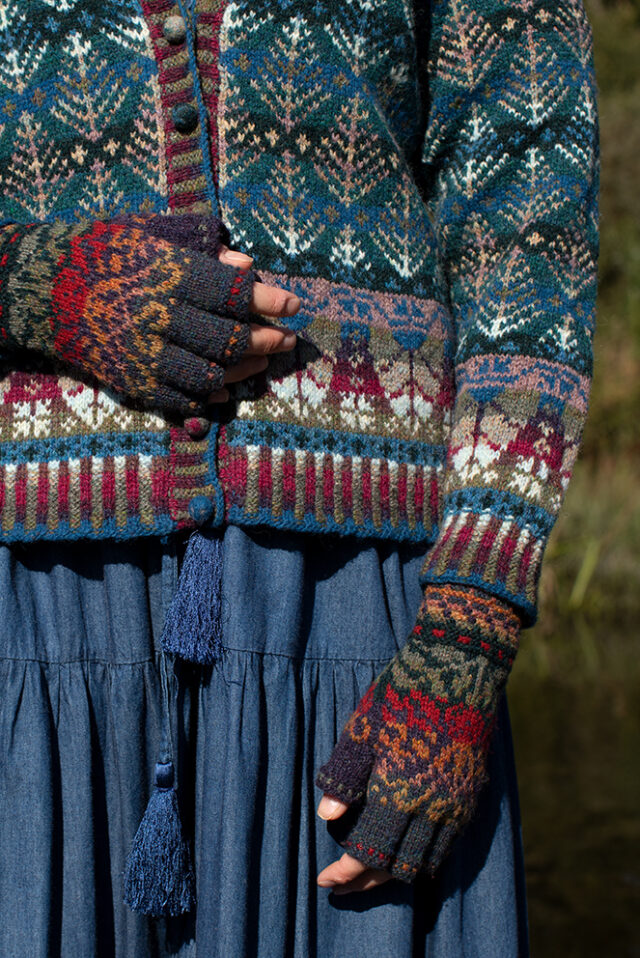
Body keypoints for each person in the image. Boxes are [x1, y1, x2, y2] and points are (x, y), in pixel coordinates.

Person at [0, 0, 598, 955]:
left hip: (368, 619)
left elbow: (530, 243)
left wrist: (468, 630)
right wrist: (41, 288)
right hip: (35, 613)